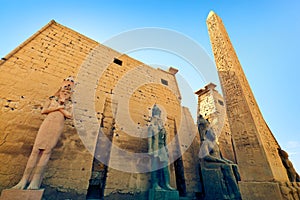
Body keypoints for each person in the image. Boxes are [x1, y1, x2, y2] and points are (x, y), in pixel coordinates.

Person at [12, 77, 74, 190]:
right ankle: (23, 180)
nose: (66, 90)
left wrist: (60, 106)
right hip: (47, 123)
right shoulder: (52, 99)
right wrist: (59, 106)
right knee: (36, 150)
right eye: (65, 87)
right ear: (61, 88)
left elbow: (69, 115)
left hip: (57, 125)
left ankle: (35, 182)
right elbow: (43, 110)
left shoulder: (69, 103)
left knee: (47, 151)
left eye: (69, 89)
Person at [198, 118, 241, 199]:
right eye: (213, 133)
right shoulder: (205, 143)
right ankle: (235, 192)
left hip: (218, 162)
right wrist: (222, 161)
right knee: (227, 167)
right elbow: (206, 156)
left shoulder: (216, 145)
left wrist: (228, 161)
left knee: (234, 166)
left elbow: (221, 157)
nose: (215, 135)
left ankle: (238, 188)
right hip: (208, 164)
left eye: (215, 133)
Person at [148, 104, 175, 191]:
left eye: (159, 115)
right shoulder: (151, 127)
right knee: (155, 166)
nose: (158, 118)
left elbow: (164, 140)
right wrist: (150, 149)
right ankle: (155, 184)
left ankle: (166, 184)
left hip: (162, 148)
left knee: (165, 166)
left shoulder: (162, 128)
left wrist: (166, 150)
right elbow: (149, 139)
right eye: (156, 115)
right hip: (155, 148)